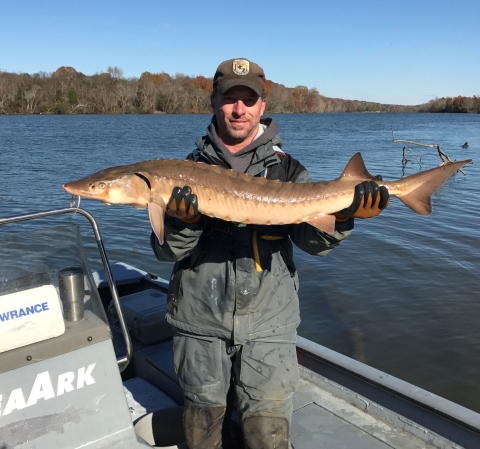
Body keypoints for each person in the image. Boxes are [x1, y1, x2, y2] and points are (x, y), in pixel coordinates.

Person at [151, 58, 389, 449]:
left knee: (266, 434)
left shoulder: (289, 171)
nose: (239, 109)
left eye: (249, 99)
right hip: (198, 324)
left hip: (269, 327)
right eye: (230, 99)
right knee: (202, 428)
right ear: (214, 102)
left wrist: (345, 217)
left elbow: (312, 242)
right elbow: (166, 253)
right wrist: (183, 224)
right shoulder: (185, 171)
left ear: (263, 105)